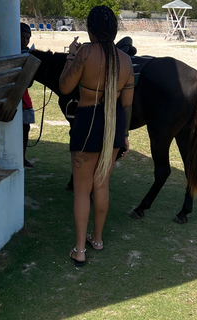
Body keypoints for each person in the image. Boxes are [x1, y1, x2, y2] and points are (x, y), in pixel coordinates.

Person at [59, 6, 134, 266]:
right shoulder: (125, 60)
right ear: (114, 30)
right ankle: (97, 240)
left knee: (82, 190)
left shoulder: (85, 52)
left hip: (86, 122)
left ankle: (80, 250)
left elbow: (65, 87)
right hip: (114, 125)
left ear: (90, 29)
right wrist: (124, 134)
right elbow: (127, 104)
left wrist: (70, 56)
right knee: (101, 185)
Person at [21, 22, 35, 168]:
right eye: (22, 37)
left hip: (24, 99)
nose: (25, 40)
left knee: (25, 129)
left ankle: (22, 157)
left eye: (27, 37)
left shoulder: (26, 53)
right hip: (18, 98)